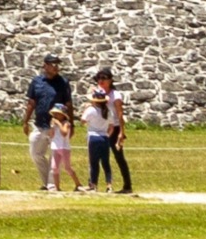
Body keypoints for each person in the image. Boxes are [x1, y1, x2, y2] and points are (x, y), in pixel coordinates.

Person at [26, 55, 76, 193]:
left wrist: (71, 123)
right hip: (39, 124)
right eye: (52, 64)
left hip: (56, 126)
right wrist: (25, 121)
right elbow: (31, 102)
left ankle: (51, 185)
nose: (55, 67)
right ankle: (46, 182)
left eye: (57, 64)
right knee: (35, 153)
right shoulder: (36, 82)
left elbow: (68, 104)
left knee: (55, 155)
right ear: (45, 65)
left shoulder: (63, 82)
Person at [86, 68, 133, 194]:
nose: (100, 81)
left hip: (114, 127)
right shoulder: (97, 92)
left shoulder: (115, 95)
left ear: (110, 80)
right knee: (94, 157)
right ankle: (92, 183)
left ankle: (127, 185)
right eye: (99, 78)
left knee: (118, 157)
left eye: (104, 78)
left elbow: (119, 113)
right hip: (99, 128)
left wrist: (121, 133)